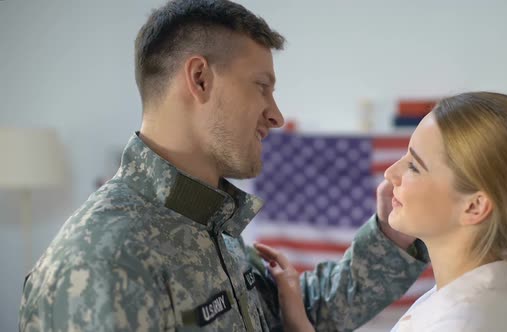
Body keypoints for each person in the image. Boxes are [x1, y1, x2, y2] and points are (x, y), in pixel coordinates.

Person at [18, 0, 429, 331]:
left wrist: (391, 237)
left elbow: (296, 317)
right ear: (199, 78)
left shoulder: (210, 225)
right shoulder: (100, 263)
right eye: (261, 87)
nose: (276, 115)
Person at [259, 91, 507, 332]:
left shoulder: (459, 322)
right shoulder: (464, 297)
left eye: (414, 166)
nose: (390, 173)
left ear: (474, 206)